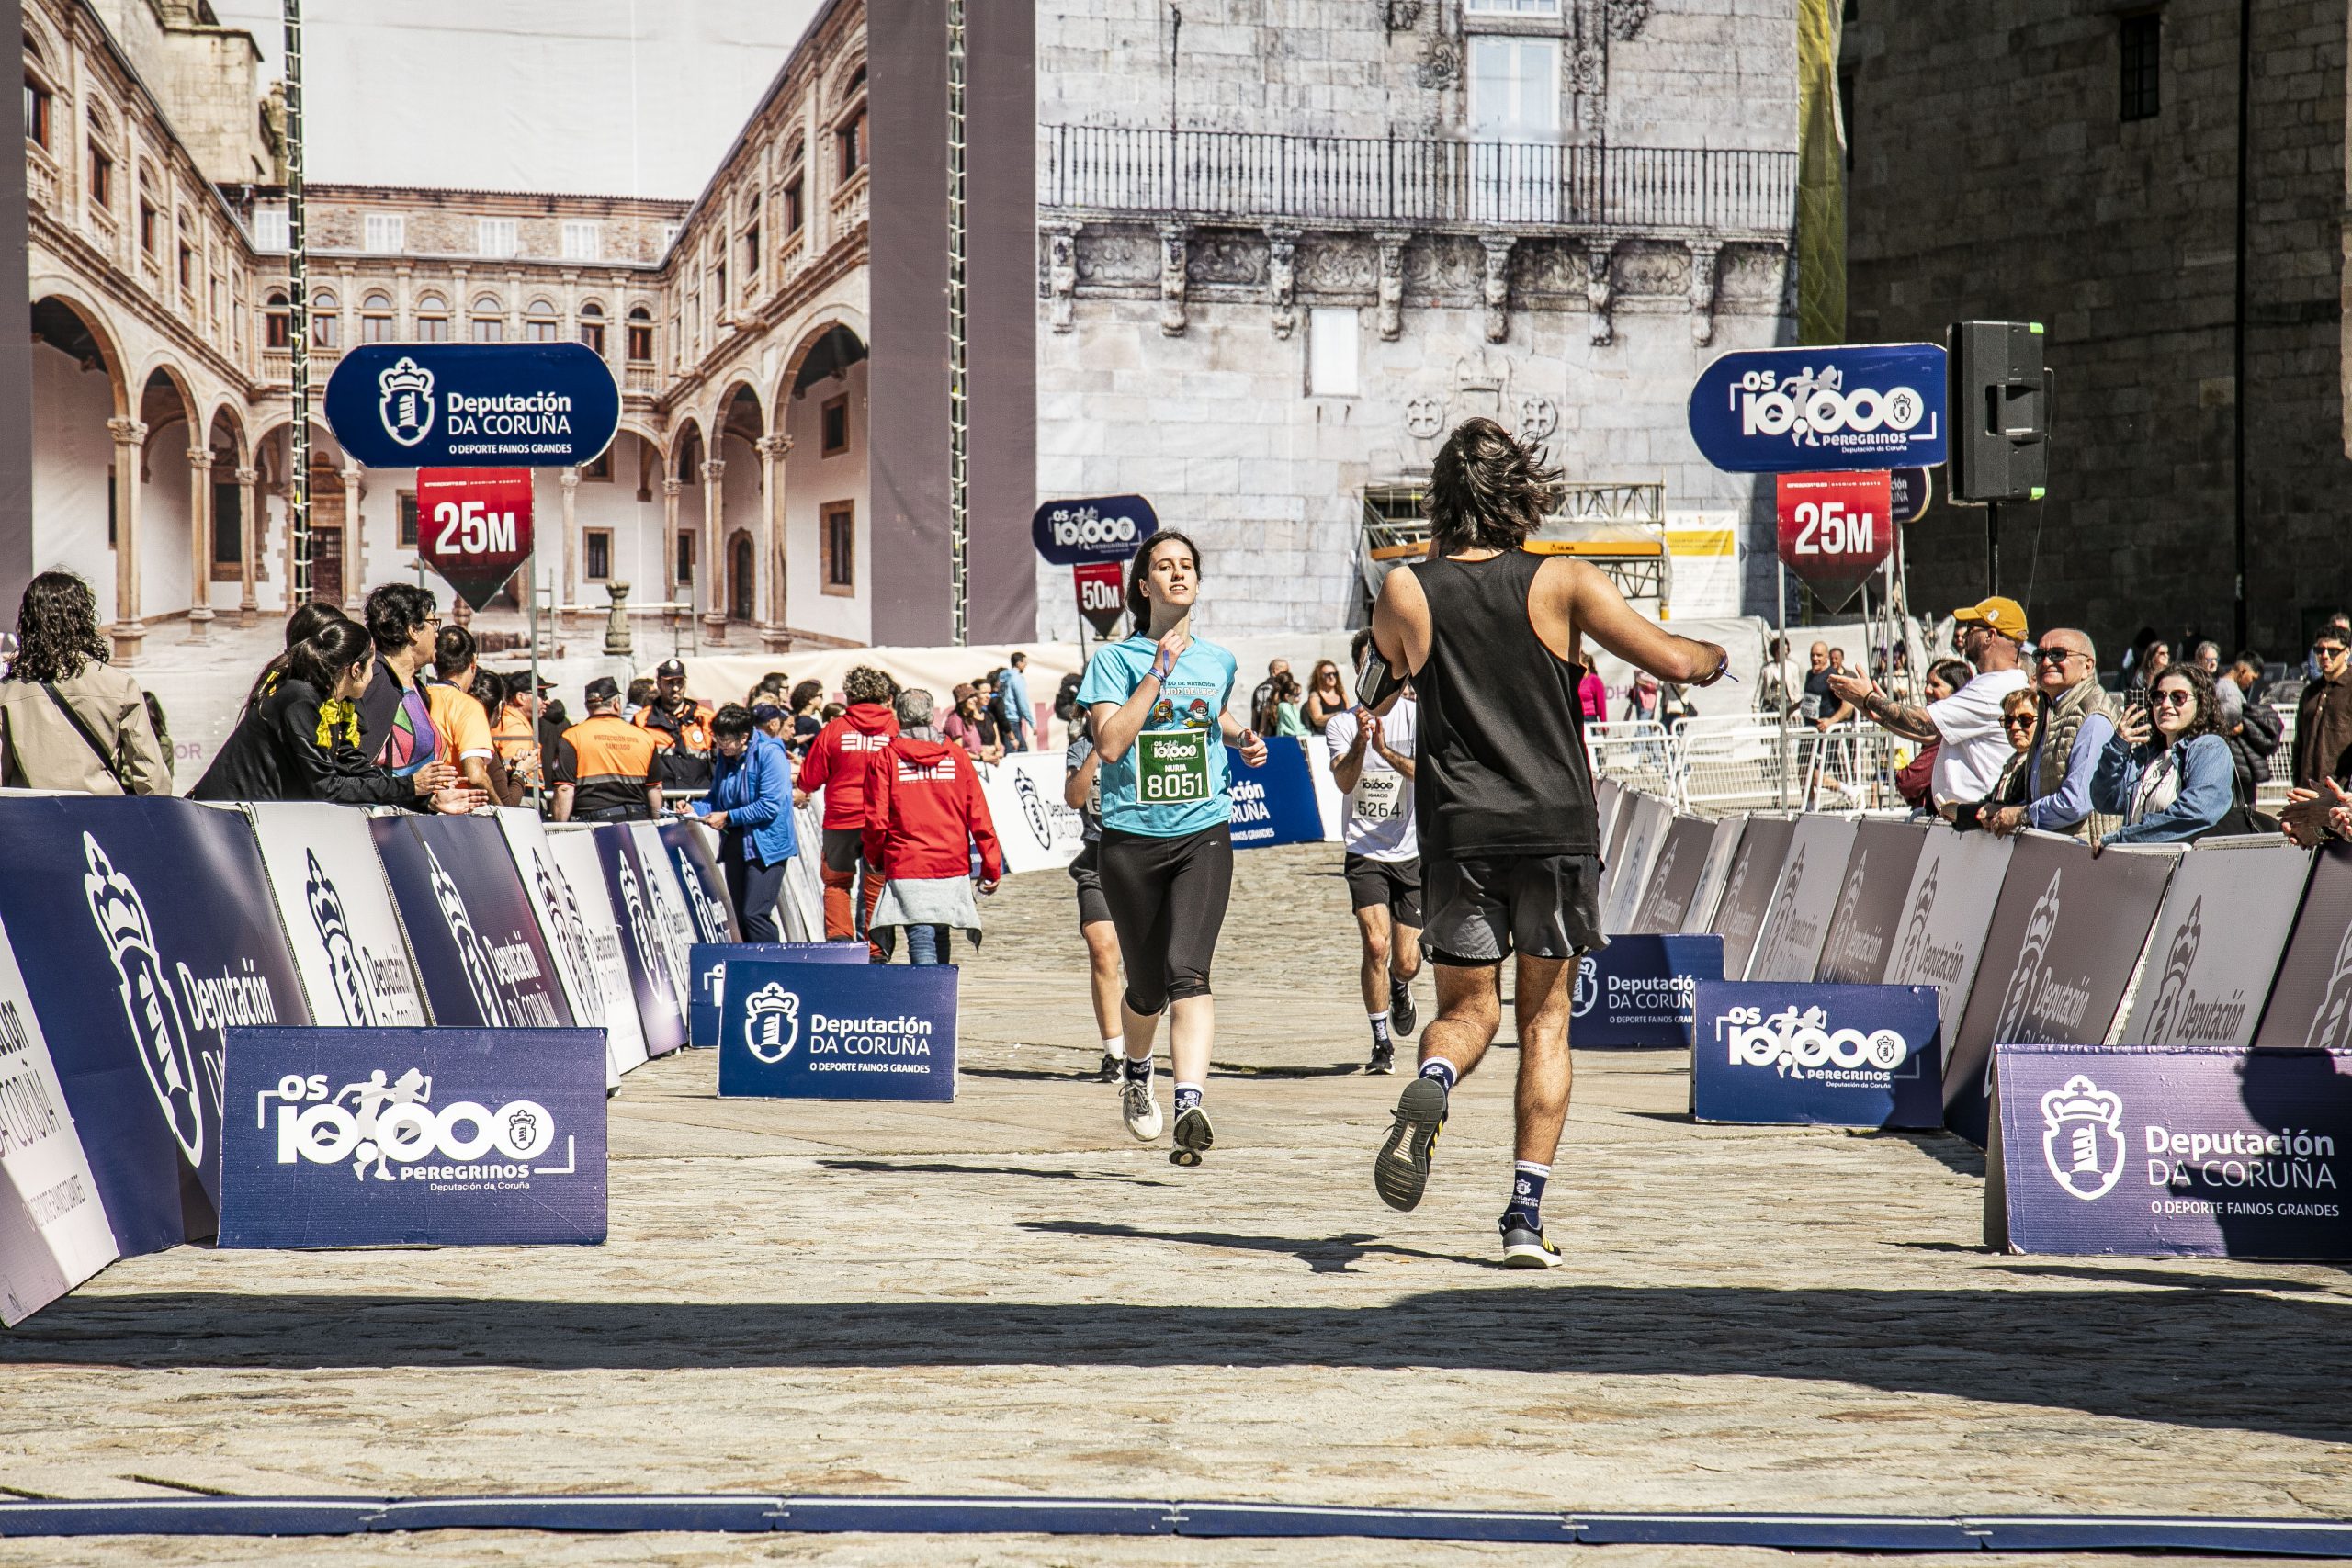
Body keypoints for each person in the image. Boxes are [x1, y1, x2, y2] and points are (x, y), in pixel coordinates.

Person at [1364, 417, 1725, 1267]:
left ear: (1442, 499)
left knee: (1468, 1011)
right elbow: (1674, 662)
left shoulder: (1405, 587)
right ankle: (1524, 1218)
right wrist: (1713, 656)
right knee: (1546, 1023)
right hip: (1554, 826)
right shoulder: (1564, 578)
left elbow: (1379, 682)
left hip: (1459, 829)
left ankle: (1433, 1081)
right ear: (1522, 490)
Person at [1080, 529, 1269, 1167]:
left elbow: (1211, 710)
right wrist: (1157, 672)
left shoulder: (1219, 660)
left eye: (1187, 565)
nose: (1178, 573)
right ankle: (1138, 1072)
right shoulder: (1114, 660)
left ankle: (1190, 1104)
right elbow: (1111, 744)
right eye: (1164, 566)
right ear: (1145, 585)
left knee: (1189, 970)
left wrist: (1241, 736)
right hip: (1131, 840)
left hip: (1202, 833)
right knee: (1146, 989)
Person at [192, 617, 472, 809]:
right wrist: (408, 787)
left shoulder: (334, 702)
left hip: (259, 816)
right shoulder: (300, 700)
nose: (374, 676)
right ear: (356, 670)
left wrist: (423, 798)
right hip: (224, 816)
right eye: (372, 667)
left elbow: (353, 767)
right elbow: (326, 786)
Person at [1829, 597, 2030, 818]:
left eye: (1972, 628)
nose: (1965, 635)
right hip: (1970, 819)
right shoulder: (1998, 683)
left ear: (1990, 636)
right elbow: (1932, 735)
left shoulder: (1993, 687)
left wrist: (1869, 698)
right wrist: (1877, 712)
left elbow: (1925, 723)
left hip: (1978, 821)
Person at [1327, 627, 1422, 1074]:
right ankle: (1381, 1042)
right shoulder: (1341, 724)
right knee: (1376, 944)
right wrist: (1363, 744)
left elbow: (1428, 774)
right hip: (1364, 850)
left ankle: (1401, 987)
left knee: (1407, 960)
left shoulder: (1417, 717)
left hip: (1411, 851)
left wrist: (1386, 749)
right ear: (1359, 671)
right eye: (1370, 665)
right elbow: (1344, 782)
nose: (1379, 673)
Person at [863, 687, 1003, 964]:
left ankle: (929, 992)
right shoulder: (956, 756)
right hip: (950, 860)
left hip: (907, 860)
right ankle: (938, 991)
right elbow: (979, 815)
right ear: (930, 716)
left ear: (900, 717)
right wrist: (991, 866)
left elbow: (876, 820)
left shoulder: (886, 759)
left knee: (920, 934)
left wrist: (876, 859)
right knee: (939, 932)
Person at [0, 570, 171, 795]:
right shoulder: (119, 685)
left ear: (28, 621)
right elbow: (152, 779)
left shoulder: (7, 692)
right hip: (102, 812)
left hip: (35, 813)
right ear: (83, 618)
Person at [794, 663, 900, 955]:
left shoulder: (834, 729)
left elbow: (809, 779)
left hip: (840, 820)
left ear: (849, 696)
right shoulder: (895, 731)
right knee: (877, 885)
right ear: (883, 695)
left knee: (837, 884)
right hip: (882, 822)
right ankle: (876, 951)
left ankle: (839, 947)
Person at [1978, 628, 2115, 841]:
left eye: (2058, 654)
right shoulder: (2051, 708)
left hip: (2084, 853)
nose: (2046, 662)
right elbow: (2043, 794)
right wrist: (2006, 811)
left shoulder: (2094, 716)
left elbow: (2075, 803)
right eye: (2040, 655)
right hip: (2053, 849)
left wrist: (2021, 815)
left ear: (2087, 666)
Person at [681, 703, 797, 942]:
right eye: (717, 738)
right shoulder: (727, 756)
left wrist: (729, 817)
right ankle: (751, 962)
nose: (720, 745)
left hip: (766, 845)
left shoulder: (770, 754)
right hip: (735, 842)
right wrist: (695, 808)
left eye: (725, 740)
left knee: (755, 913)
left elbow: (770, 805)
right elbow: (717, 799)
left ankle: (775, 961)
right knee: (741, 917)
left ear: (744, 737)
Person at [2093, 662, 2239, 844]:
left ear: (2201, 702)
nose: (2165, 704)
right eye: (2158, 697)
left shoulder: (2210, 748)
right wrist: (2117, 746)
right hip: (2137, 859)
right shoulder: (2146, 755)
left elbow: (2197, 812)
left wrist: (2124, 838)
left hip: (2184, 860)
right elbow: (2104, 800)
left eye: (2178, 697)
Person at [1063, 698, 1127, 1081]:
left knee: (1145, 966)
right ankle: (1114, 1053)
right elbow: (1073, 798)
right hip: (1097, 859)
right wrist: (1096, 752)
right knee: (1102, 949)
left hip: (1140, 857)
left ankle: (1141, 1039)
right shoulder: (1080, 747)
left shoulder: (1141, 735)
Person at [355, 583, 444, 781]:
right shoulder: (374, 680)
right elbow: (356, 764)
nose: (437, 633)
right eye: (433, 623)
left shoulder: (416, 688)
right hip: (386, 801)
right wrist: (410, 790)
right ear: (413, 630)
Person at [548, 676, 663, 823]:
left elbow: (564, 789)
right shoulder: (644, 737)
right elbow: (655, 788)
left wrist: (560, 828)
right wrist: (656, 823)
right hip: (637, 820)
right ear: (616, 704)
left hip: (593, 823)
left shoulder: (571, 737)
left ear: (588, 706)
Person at [425, 625, 501, 800]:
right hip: (457, 806)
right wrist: (499, 807)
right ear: (473, 661)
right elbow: (475, 775)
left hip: (420, 801)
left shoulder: (418, 698)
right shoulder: (468, 707)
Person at [1892, 659, 1973, 811]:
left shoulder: (1949, 733)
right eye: (1927, 683)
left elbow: (1909, 782)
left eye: (1935, 685)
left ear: (1956, 690)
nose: (1927, 690)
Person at [1953, 688, 2041, 830]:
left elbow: (2013, 807)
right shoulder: (2014, 762)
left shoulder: (2037, 763)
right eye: (2008, 721)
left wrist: (1958, 813)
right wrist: (1957, 811)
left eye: (2025, 720)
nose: (2014, 727)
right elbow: (1992, 803)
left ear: (2041, 720)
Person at [634, 658, 716, 792]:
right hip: (661, 799)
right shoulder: (642, 720)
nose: (676, 688)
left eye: (680, 682)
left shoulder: (705, 718)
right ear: (659, 684)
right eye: (669, 683)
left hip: (699, 800)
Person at [2293, 623, 2352, 791]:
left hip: (2341, 794)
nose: (2325, 656)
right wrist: (2297, 782)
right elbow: (2299, 744)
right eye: (2319, 650)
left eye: (2333, 650)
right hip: (2307, 791)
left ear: (2347, 652)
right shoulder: (2309, 693)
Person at [943, 682, 1005, 763]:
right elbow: (958, 752)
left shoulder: (969, 718)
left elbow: (974, 748)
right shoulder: (955, 720)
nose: (975, 699)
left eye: (975, 696)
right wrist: (981, 758)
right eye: (971, 697)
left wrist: (991, 754)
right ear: (962, 700)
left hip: (976, 765)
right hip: (965, 766)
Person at [997, 651, 1035, 750]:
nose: (1026, 665)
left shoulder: (1003, 678)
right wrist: (1032, 723)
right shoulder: (1017, 678)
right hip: (1013, 719)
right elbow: (1022, 702)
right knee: (1019, 751)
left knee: (1013, 749)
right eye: (1025, 662)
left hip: (1004, 718)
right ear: (1019, 663)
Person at [1302, 659, 1350, 733]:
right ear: (1319, 677)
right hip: (1323, 736)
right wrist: (1337, 715)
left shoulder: (1341, 693)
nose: (1332, 677)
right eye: (1327, 674)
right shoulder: (1315, 696)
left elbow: (1349, 712)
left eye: (1334, 674)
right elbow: (1317, 720)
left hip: (1343, 733)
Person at [787, 679, 826, 757]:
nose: (822, 699)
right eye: (820, 696)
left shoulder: (791, 720)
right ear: (810, 699)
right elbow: (820, 751)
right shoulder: (812, 724)